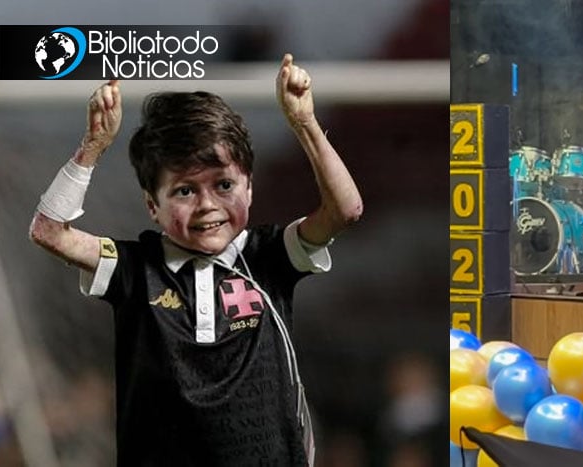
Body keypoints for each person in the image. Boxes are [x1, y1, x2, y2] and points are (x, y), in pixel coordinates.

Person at [28, 54, 363, 466]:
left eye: (224, 185)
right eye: (185, 191)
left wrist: (305, 124)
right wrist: (93, 146)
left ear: (250, 188)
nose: (208, 205)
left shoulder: (268, 256)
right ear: (153, 205)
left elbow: (345, 210)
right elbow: (48, 231)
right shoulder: (134, 268)